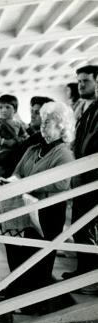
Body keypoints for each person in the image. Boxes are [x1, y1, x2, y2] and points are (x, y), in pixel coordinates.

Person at [2, 102, 76, 311]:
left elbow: (62, 183)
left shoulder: (64, 154)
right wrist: (14, 181)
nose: (42, 126)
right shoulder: (34, 149)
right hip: (25, 209)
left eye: (47, 122)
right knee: (19, 253)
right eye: (42, 122)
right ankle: (19, 296)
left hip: (48, 212)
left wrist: (27, 184)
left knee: (39, 258)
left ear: (61, 126)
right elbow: (17, 172)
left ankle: (34, 303)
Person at [61, 70, 98, 283]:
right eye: (79, 81)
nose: (81, 86)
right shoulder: (90, 108)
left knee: (87, 225)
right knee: (80, 224)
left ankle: (90, 277)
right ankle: (84, 271)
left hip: (92, 177)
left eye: (86, 81)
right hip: (83, 175)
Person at [0, 94, 28, 186]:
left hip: (15, 153)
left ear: (15, 110)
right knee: (1, 173)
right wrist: (4, 142)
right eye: (0, 107)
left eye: (7, 107)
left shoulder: (18, 124)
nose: (3, 110)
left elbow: (25, 136)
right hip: (1, 154)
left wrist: (20, 140)